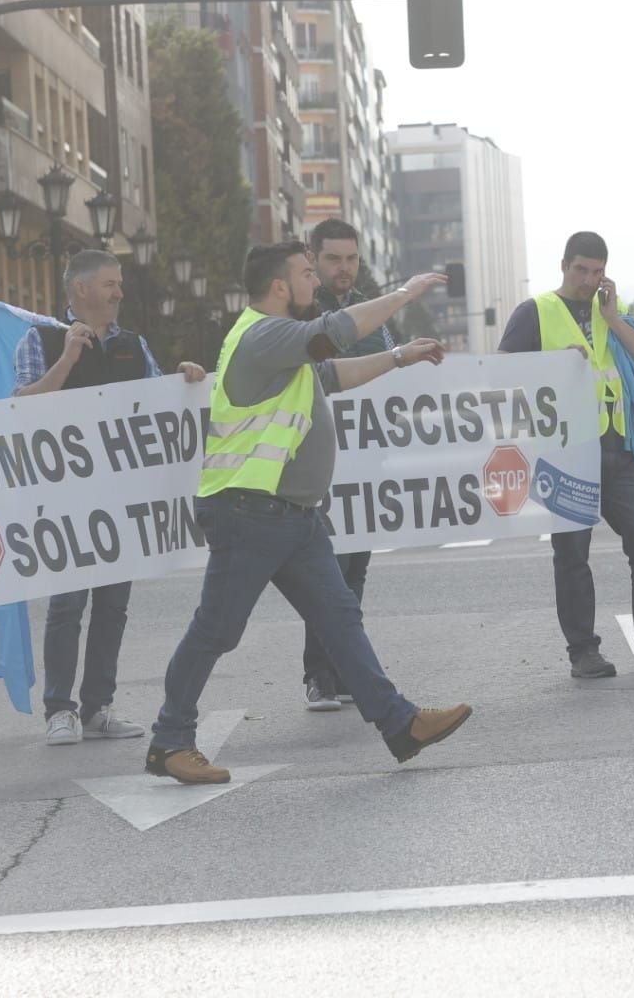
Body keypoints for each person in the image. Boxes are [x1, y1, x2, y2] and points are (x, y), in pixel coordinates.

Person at [146, 243, 471, 783]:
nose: (315, 282)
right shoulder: (263, 335)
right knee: (216, 631)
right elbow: (335, 333)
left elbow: (334, 375)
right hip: (249, 510)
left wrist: (398, 357)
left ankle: (400, 723)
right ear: (279, 286)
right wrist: (403, 294)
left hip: (292, 516)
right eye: (305, 273)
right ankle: (170, 741)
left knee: (339, 618)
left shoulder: (284, 348)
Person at [14, 251, 207, 746]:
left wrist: (184, 379)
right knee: (67, 606)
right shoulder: (40, 341)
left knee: (112, 607)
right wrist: (67, 360)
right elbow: (21, 409)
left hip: (121, 498)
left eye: (119, 284)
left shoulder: (132, 346)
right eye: (110, 284)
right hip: (66, 499)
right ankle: (60, 710)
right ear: (81, 290)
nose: (120, 292)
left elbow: (160, 403)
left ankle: (98, 707)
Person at [497, 231, 634, 679]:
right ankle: (583, 652)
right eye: (581, 269)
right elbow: (500, 372)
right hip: (565, 455)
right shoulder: (535, 312)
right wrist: (549, 367)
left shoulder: (613, 313)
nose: (588, 279)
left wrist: (614, 318)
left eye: (597, 271)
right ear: (564, 266)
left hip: (619, 449)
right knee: (572, 557)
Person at [299, 218, 393, 714]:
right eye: (333, 258)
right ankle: (319, 675)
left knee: (354, 573)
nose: (344, 268)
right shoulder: (299, 313)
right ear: (312, 259)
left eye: (351, 258)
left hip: (367, 467)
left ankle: (344, 673)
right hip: (316, 467)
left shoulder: (372, 314)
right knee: (326, 575)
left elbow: (394, 375)